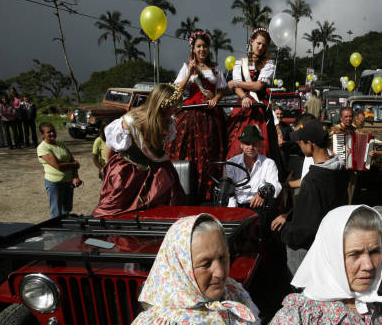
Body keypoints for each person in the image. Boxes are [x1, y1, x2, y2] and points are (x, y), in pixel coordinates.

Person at [118, 214, 263, 325]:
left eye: (223, 257)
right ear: (181, 265)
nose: (219, 272)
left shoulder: (235, 296)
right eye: (206, 263)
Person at [92, 84, 186, 217]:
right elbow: (110, 145)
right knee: (116, 209)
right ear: (161, 105)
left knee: (165, 205)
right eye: (173, 107)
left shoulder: (167, 121)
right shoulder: (130, 121)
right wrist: (108, 168)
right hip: (130, 172)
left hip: (157, 171)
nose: (175, 111)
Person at [272, 120, 347, 274]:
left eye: (300, 142)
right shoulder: (339, 169)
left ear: (310, 144)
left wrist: (285, 231)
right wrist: (289, 215)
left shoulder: (313, 179)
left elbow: (304, 229)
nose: (298, 144)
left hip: (310, 247)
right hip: (332, 239)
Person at [167, 30, 228, 202]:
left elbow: (222, 88)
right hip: (191, 113)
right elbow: (176, 90)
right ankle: (186, 186)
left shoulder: (215, 67)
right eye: (199, 46)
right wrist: (189, 73)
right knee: (187, 149)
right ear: (193, 48)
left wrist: (215, 98)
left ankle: (208, 189)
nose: (202, 49)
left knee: (210, 150)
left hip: (210, 115)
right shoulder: (187, 66)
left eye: (205, 46)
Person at [227, 28, 276, 159]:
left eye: (264, 45)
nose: (260, 47)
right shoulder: (240, 62)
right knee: (235, 142)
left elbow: (259, 85)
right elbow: (236, 88)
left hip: (259, 107)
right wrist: (243, 96)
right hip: (242, 105)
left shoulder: (269, 63)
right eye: (258, 43)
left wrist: (237, 83)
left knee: (263, 142)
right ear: (252, 41)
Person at [225, 125, 281, 208]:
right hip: (236, 207)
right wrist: (233, 211)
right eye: (247, 143)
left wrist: (263, 193)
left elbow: (276, 186)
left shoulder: (269, 163)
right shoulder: (231, 163)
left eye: (254, 144)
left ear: (259, 145)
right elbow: (229, 192)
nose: (250, 147)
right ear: (241, 145)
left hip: (260, 208)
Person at [37, 122, 82, 218]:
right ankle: (57, 233)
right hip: (55, 184)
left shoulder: (61, 143)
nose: (52, 133)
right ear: (42, 134)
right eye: (49, 132)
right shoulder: (42, 148)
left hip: (68, 182)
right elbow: (58, 166)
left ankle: (66, 231)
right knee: (56, 212)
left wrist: (75, 176)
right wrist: (74, 164)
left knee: (67, 210)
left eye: (53, 131)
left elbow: (72, 160)